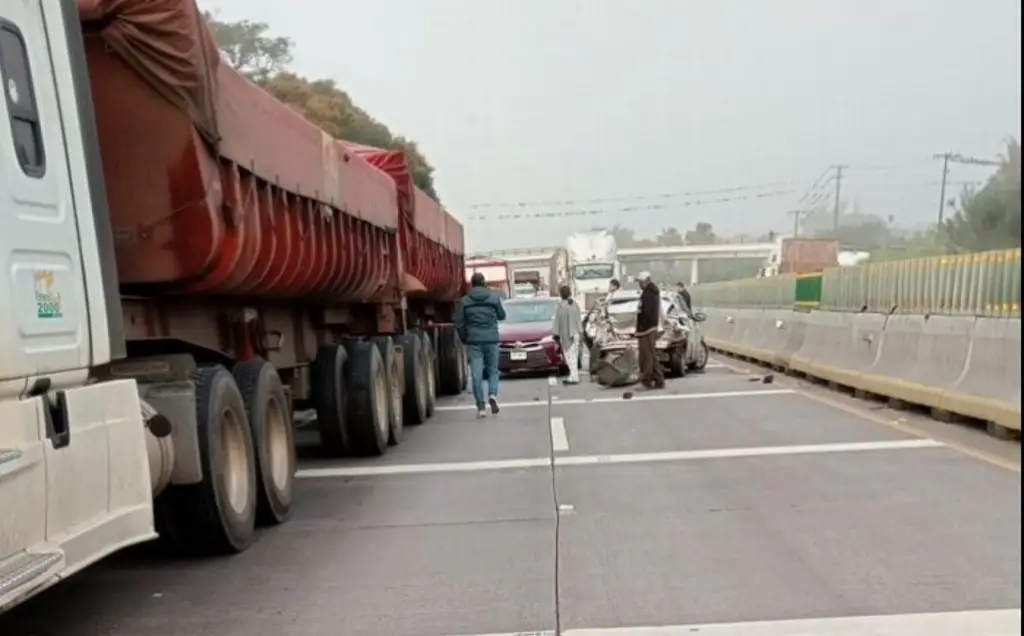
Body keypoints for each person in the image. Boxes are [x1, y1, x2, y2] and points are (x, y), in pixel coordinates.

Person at [454, 272, 506, 418]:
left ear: (472, 284)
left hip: (474, 342)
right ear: (484, 283)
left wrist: (466, 338)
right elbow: (502, 316)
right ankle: (493, 395)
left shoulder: (465, 301)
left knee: (476, 374)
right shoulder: (494, 298)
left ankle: (481, 407)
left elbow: (458, 322)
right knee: (493, 371)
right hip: (491, 340)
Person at [634, 271, 664, 389]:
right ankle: (658, 379)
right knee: (650, 355)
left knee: (646, 357)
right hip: (647, 328)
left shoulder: (649, 294)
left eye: (640, 282)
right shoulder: (649, 293)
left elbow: (647, 312)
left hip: (647, 329)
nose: (639, 284)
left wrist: (642, 327)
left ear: (646, 281)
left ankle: (646, 381)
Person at [552, 284, 583, 384]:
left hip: (566, 335)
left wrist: (555, 334)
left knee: (569, 356)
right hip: (575, 333)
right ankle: (574, 375)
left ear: (561, 294)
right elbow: (579, 319)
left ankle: (574, 376)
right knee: (574, 356)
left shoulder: (561, 306)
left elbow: (557, 321)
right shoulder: (574, 304)